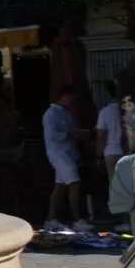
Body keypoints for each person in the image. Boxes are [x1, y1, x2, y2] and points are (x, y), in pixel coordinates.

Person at [42, 95, 88, 233]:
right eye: (70, 98)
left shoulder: (66, 112)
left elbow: (71, 131)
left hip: (67, 154)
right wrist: (72, 135)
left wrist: (80, 133)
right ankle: (77, 219)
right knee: (75, 184)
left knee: (60, 187)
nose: (72, 101)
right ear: (62, 97)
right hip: (58, 155)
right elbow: (52, 135)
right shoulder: (50, 114)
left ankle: (51, 219)